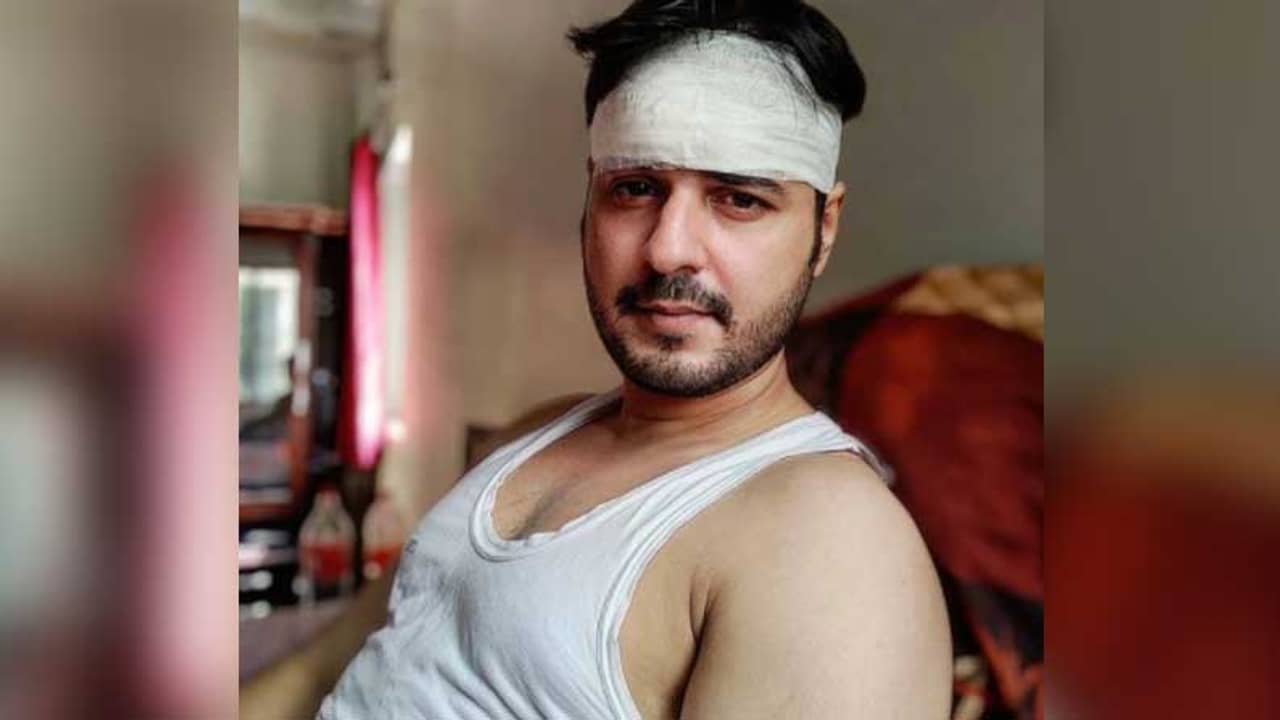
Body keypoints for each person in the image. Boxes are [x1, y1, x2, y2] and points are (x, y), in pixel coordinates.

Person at [241, 1, 951, 717]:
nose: (668, 249)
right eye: (635, 188)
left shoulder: (832, 543)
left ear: (824, 229)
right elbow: (319, 673)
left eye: (739, 199)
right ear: (590, 198)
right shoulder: (534, 432)